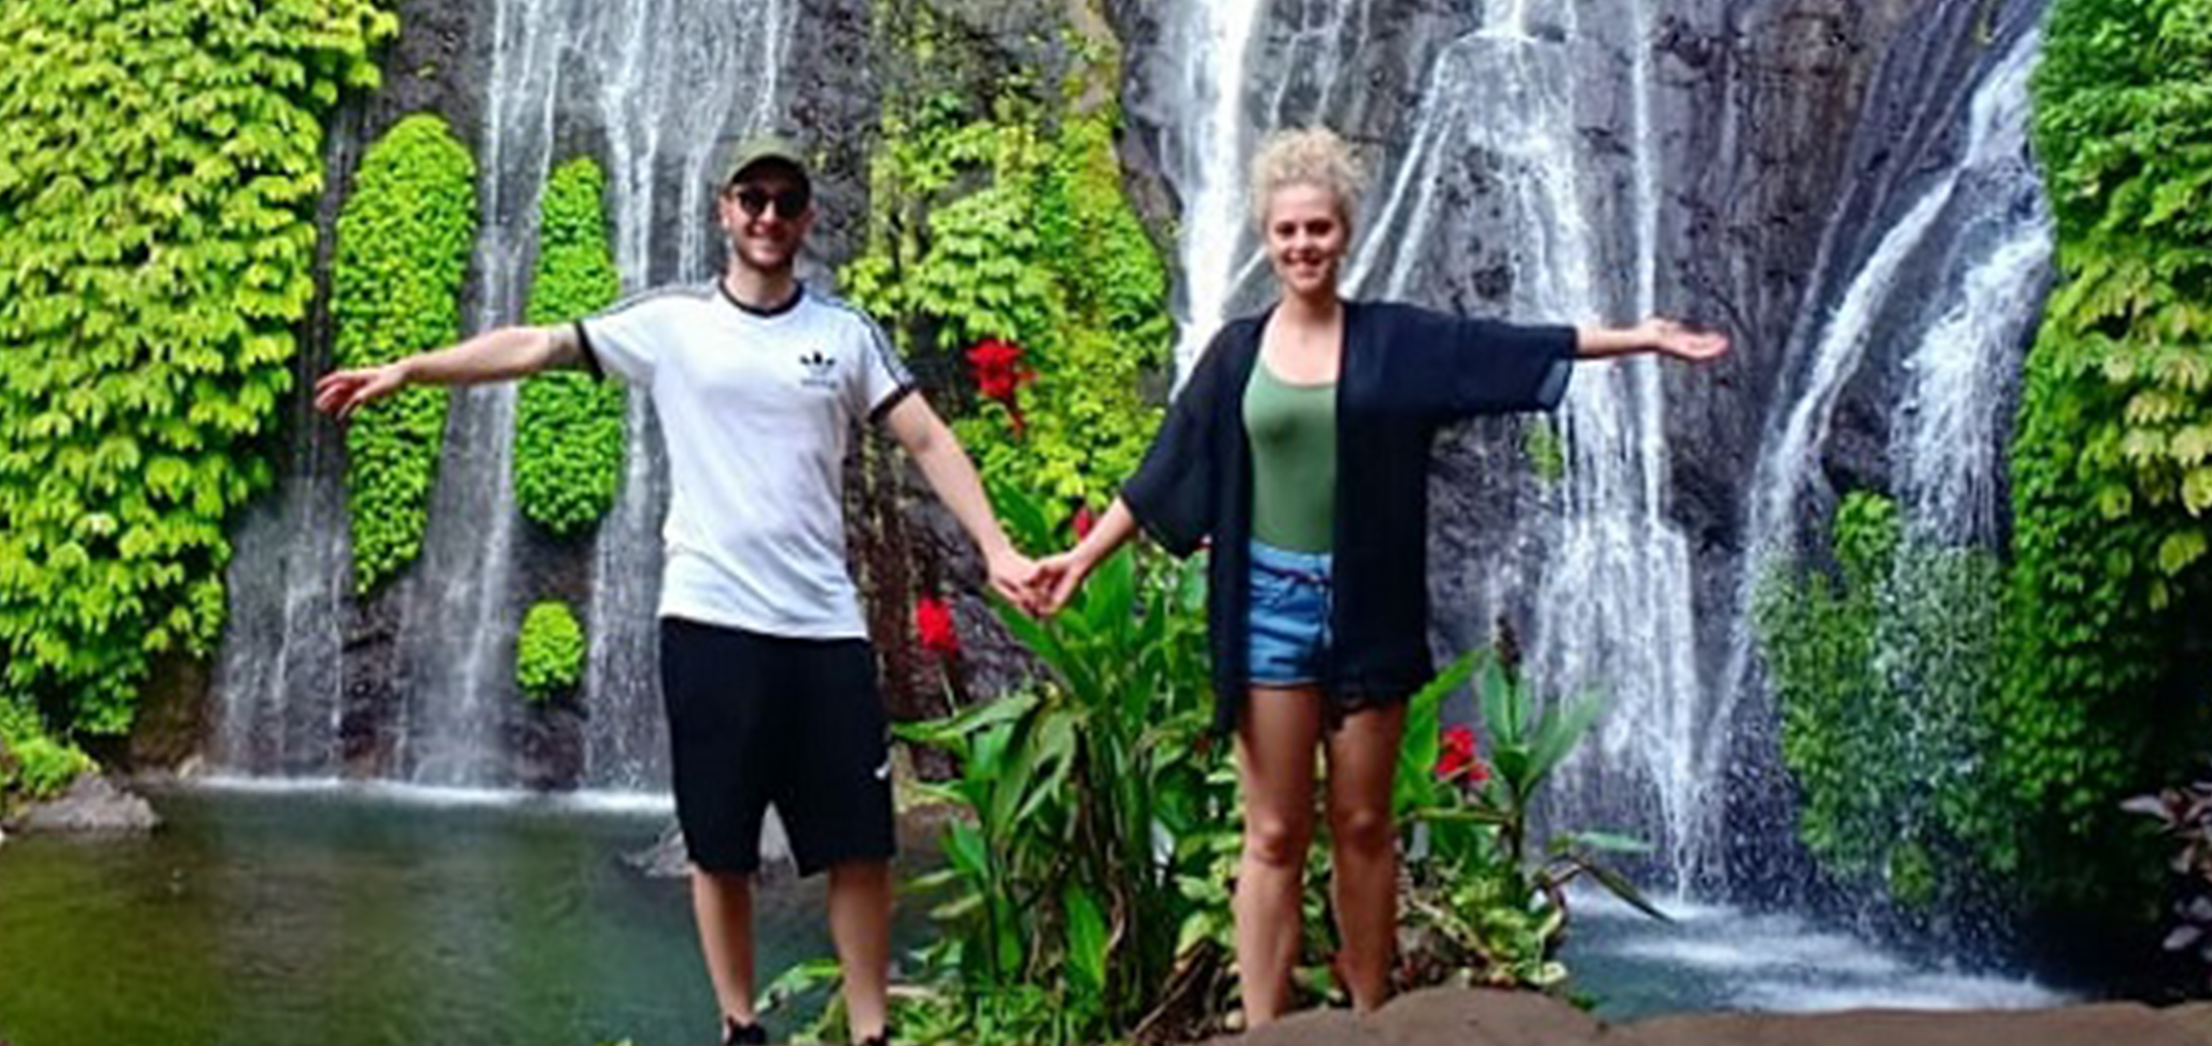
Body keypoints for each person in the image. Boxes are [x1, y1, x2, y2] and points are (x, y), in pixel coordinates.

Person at [315, 135, 1041, 1046]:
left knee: (860, 842)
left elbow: (928, 440)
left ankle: (871, 1032)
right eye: (753, 198)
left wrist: (998, 547)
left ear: (807, 217)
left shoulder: (843, 334)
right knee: (719, 844)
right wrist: (414, 369)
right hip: (710, 621)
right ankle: (740, 1027)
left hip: (823, 625)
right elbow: (539, 345)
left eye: (786, 200)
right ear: (724, 211)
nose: (769, 215)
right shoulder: (670, 323)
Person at [1027, 125, 1726, 1026]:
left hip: (1368, 605)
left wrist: (1637, 339)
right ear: (1266, 239)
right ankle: (1269, 1030)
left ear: (1344, 232)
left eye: (1318, 228)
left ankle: (1372, 1021)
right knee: (1274, 834)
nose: (1303, 246)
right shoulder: (1236, 355)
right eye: (1287, 232)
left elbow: (1501, 348)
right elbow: (1168, 466)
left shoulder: (1396, 342)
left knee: (1362, 826)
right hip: (1267, 606)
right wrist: (1082, 560)